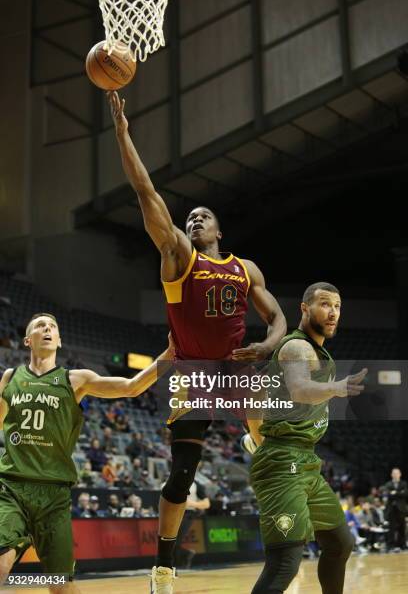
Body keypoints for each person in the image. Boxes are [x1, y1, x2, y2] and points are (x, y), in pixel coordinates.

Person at [108, 90, 287, 593]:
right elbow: (147, 194)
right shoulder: (179, 257)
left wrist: (268, 345)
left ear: (219, 228)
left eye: (203, 217)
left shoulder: (243, 268)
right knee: (182, 474)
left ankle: (261, 441)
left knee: (273, 414)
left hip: (234, 368)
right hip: (191, 371)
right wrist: (123, 134)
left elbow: (276, 318)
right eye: (190, 218)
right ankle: (163, 566)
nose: (194, 221)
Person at [0, 313, 174, 593]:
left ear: (59, 341)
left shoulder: (75, 379)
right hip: (12, 488)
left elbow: (131, 388)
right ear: (27, 340)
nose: (47, 329)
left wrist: (168, 355)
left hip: (53, 496)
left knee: (61, 586)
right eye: (40, 326)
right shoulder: (10, 378)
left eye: (53, 327)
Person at [246, 283, 367, 594]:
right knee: (284, 562)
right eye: (325, 304)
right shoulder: (297, 348)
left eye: (338, 306)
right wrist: (337, 388)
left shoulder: (312, 351)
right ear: (304, 309)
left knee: (340, 543)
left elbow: (254, 397)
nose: (333, 312)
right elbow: (300, 388)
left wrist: (257, 438)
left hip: (305, 461)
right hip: (284, 463)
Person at [382, 467, 407, 551]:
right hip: (391, 509)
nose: (396, 475)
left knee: (402, 527)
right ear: (391, 475)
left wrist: (394, 493)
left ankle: (402, 544)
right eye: (394, 473)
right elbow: (387, 494)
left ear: (400, 474)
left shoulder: (404, 484)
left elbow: (405, 494)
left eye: (397, 473)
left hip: (401, 509)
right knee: (391, 528)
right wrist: (399, 493)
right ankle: (390, 545)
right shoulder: (388, 484)